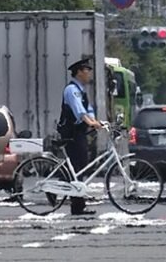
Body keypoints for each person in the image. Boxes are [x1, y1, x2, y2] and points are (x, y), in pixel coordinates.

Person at [57, 57, 103, 216]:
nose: (89, 73)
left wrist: (96, 121)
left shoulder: (81, 90)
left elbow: (88, 109)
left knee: (81, 166)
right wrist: (90, 122)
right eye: (86, 70)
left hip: (79, 132)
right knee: (78, 167)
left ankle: (78, 204)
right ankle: (75, 204)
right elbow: (79, 110)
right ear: (78, 72)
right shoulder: (72, 90)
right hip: (71, 133)